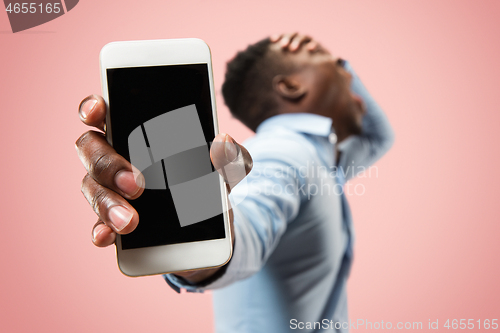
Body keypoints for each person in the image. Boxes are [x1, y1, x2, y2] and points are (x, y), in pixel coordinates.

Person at [76, 33, 394, 333]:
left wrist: (339, 65)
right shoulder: (286, 154)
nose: (347, 74)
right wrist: (199, 255)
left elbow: (380, 136)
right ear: (291, 85)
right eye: (329, 60)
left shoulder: (324, 157)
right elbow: (251, 230)